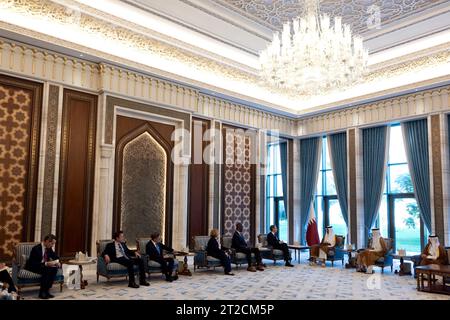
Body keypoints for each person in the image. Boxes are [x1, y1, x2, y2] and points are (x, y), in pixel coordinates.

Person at [25, 234, 60, 299]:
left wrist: (57, 262)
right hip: (33, 266)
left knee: (54, 269)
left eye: (53, 244)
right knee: (47, 270)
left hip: (43, 266)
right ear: (47, 241)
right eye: (52, 243)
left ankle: (47, 290)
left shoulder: (49, 248)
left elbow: (55, 256)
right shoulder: (36, 248)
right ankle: (42, 293)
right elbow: (34, 263)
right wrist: (46, 264)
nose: (52, 245)